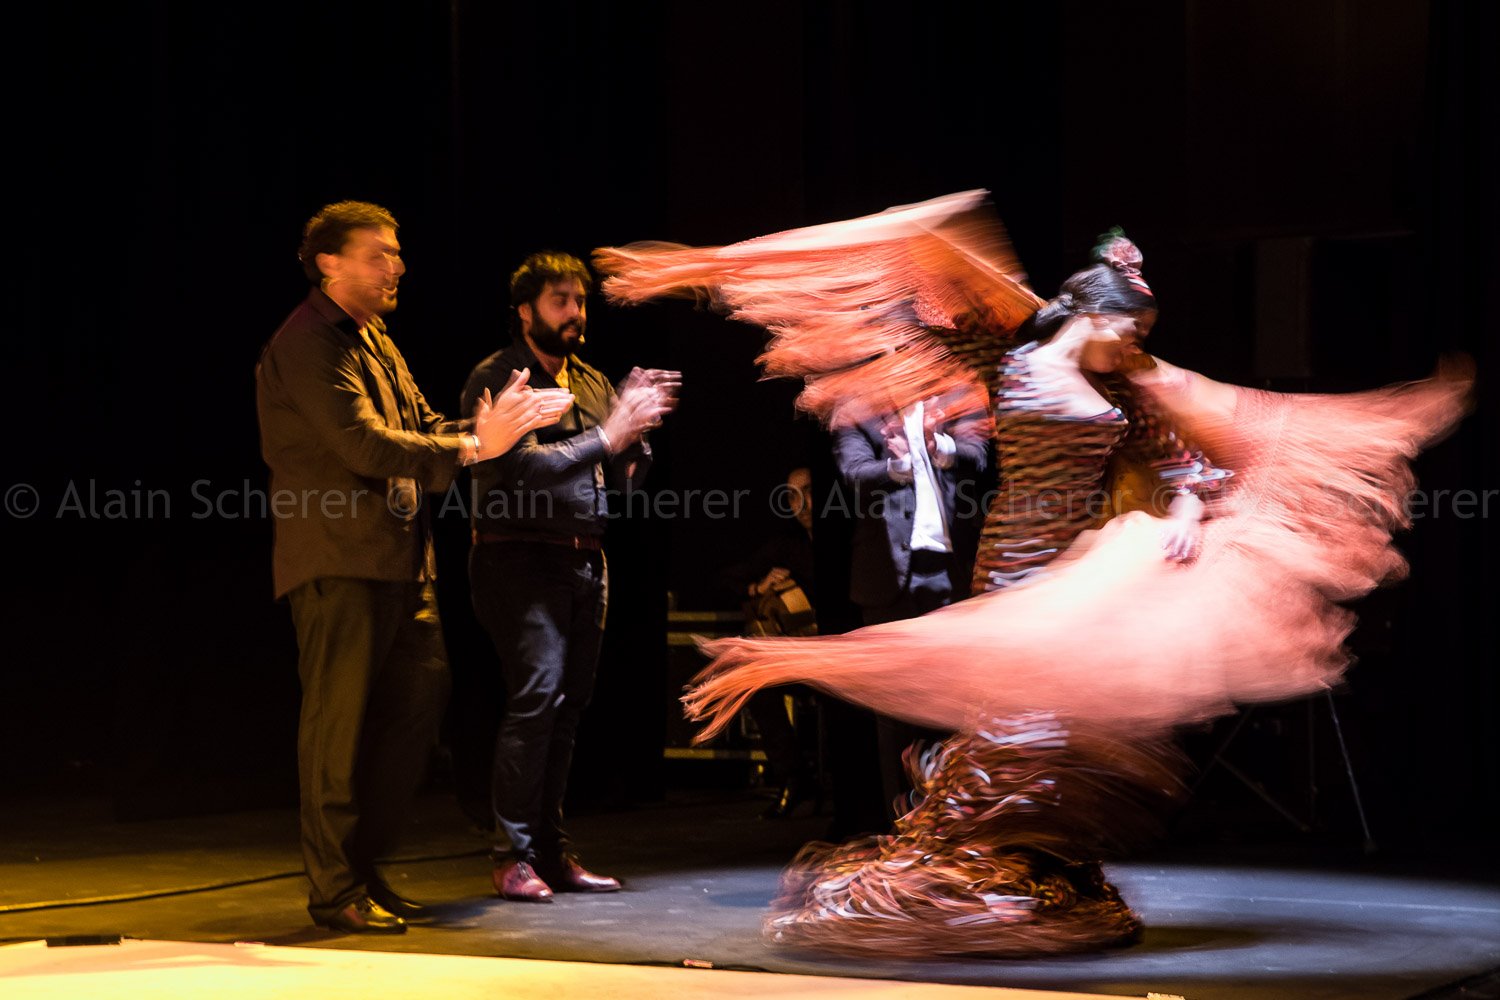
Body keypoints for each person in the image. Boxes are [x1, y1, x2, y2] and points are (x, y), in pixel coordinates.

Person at [596, 196, 1469, 957]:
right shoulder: (1009, 353)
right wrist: (711, 267)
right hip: (1014, 558)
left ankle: (1023, 865)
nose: (1137, 346)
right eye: (1130, 330)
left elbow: (1195, 467)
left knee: (1050, 734)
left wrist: (1184, 514)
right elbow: (922, 238)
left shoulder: (1131, 390)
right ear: (1090, 314)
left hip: (1071, 565)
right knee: (1017, 725)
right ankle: (942, 873)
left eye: (1144, 338)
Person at [256, 201, 571, 934]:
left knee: (417, 711)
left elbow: (421, 427)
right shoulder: (306, 342)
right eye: (380, 254)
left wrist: (489, 428)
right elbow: (364, 444)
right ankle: (335, 888)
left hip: (401, 561)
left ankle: (363, 869)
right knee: (337, 727)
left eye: (397, 254)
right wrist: (474, 448)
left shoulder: (376, 340)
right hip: (338, 560)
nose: (397, 266)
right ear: (329, 262)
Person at [462, 251, 680, 902]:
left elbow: (620, 478)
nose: (576, 313)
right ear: (525, 310)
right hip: (518, 557)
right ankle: (511, 856)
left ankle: (551, 852)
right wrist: (609, 436)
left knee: (568, 707)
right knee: (537, 697)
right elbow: (519, 470)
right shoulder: (500, 377)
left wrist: (637, 439)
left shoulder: (588, 379)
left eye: (580, 301)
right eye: (561, 301)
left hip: (587, 558)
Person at [834, 389, 989, 816]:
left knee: (956, 707)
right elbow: (854, 472)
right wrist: (899, 464)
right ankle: (904, 827)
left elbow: (978, 456)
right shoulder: (857, 407)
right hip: (889, 578)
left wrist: (937, 444)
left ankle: (951, 824)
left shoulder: (958, 395)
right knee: (895, 713)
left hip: (952, 575)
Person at [718, 467, 819, 818]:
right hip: (805, 659)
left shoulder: (848, 544)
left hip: (847, 658)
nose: (801, 503)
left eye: (809, 492)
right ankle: (793, 777)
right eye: (792, 496)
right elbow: (727, 578)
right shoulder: (785, 546)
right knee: (754, 679)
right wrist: (757, 587)